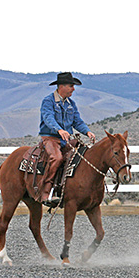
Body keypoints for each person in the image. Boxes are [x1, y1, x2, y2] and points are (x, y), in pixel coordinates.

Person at [38, 72, 96, 205]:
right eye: (71, 86)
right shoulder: (48, 101)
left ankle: (73, 190)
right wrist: (59, 129)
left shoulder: (71, 104)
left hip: (66, 139)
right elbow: (48, 118)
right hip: (51, 138)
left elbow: (77, 121)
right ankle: (46, 192)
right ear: (61, 86)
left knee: (82, 156)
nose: (73, 89)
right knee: (56, 158)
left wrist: (87, 132)